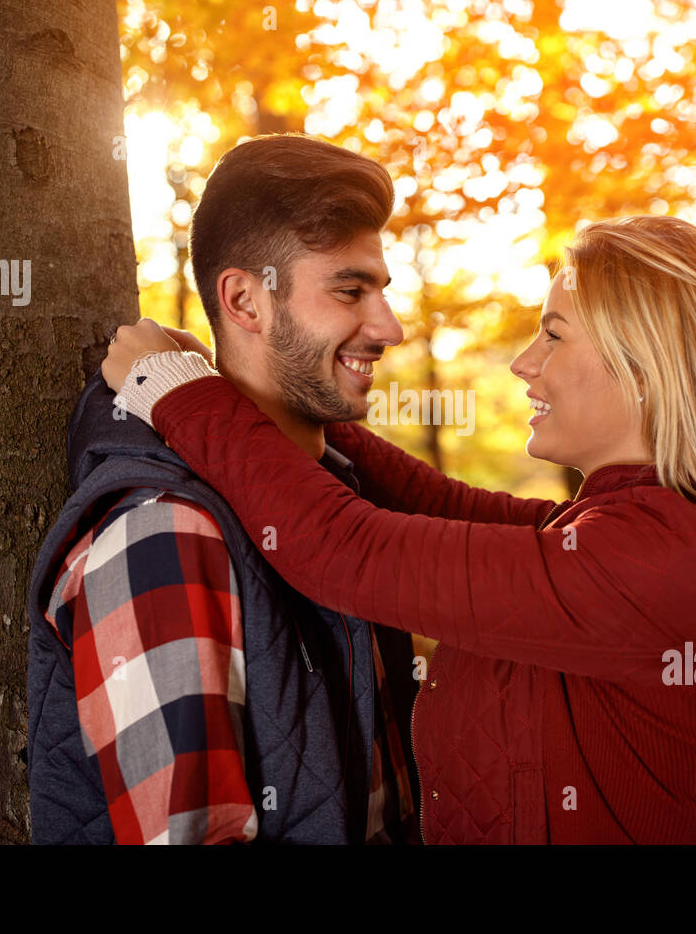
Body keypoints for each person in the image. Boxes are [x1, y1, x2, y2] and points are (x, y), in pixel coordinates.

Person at [102, 214, 696, 844]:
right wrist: (284, 398)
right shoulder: (622, 527)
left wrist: (178, 396)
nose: (526, 363)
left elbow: (348, 550)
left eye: (553, 336)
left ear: (647, 370)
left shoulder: (668, 560)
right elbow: (442, 507)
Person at [25, 133, 422, 844]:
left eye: (382, 292)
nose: (388, 327)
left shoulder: (338, 501)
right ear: (244, 300)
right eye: (349, 290)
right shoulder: (166, 536)